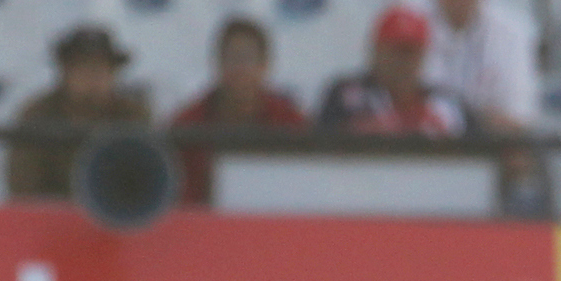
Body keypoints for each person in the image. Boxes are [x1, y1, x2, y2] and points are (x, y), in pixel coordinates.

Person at [171, 17, 308, 205]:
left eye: (247, 59)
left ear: (265, 65)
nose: (239, 69)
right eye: (231, 59)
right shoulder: (187, 124)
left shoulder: (291, 122)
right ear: (217, 63)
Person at [6, 25, 151, 200]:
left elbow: (150, 179)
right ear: (64, 72)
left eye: (101, 69)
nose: (93, 78)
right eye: (83, 68)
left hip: (120, 217)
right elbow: (23, 186)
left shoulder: (133, 115)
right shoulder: (37, 115)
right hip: (53, 218)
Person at [319, 6, 473, 134]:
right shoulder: (345, 96)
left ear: (423, 56)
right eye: (395, 51)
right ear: (376, 51)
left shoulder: (447, 104)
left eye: (410, 52)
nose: (402, 62)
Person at [425, 0, 540, 129]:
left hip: (488, 144)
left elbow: (519, 120)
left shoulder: (512, 31)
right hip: (424, 140)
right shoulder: (413, 20)